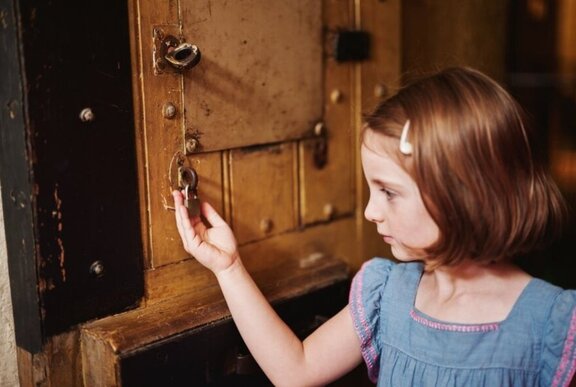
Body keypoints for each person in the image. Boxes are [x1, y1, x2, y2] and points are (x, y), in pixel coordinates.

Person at [172, 67, 576, 386]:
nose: (370, 212)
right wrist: (228, 268)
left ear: (464, 193)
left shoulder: (551, 325)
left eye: (389, 192)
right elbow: (295, 371)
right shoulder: (388, 294)